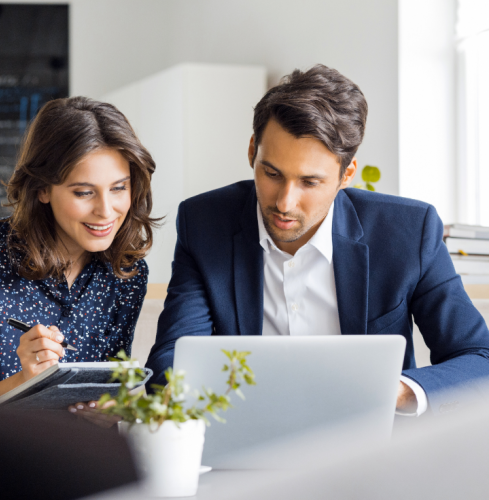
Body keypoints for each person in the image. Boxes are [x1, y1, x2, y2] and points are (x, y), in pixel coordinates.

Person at [145, 65, 489, 416]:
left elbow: (479, 358)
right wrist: (181, 389)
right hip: (245, 437)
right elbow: (173, 355)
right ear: (253, 151)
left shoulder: (408, 232)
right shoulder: (204, 223)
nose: (284, 202)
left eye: (310, 182)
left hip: (371, 446)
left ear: (347, 175)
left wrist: (395, 391)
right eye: (272, 173)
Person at [0, 97, 159, 406]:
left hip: (63, 448)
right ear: (42, 189)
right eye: (84, 192)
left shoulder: (127, 273)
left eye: (119, 188)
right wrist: (26, 381)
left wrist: (104, 411)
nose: (106, 211)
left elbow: (104, 390)